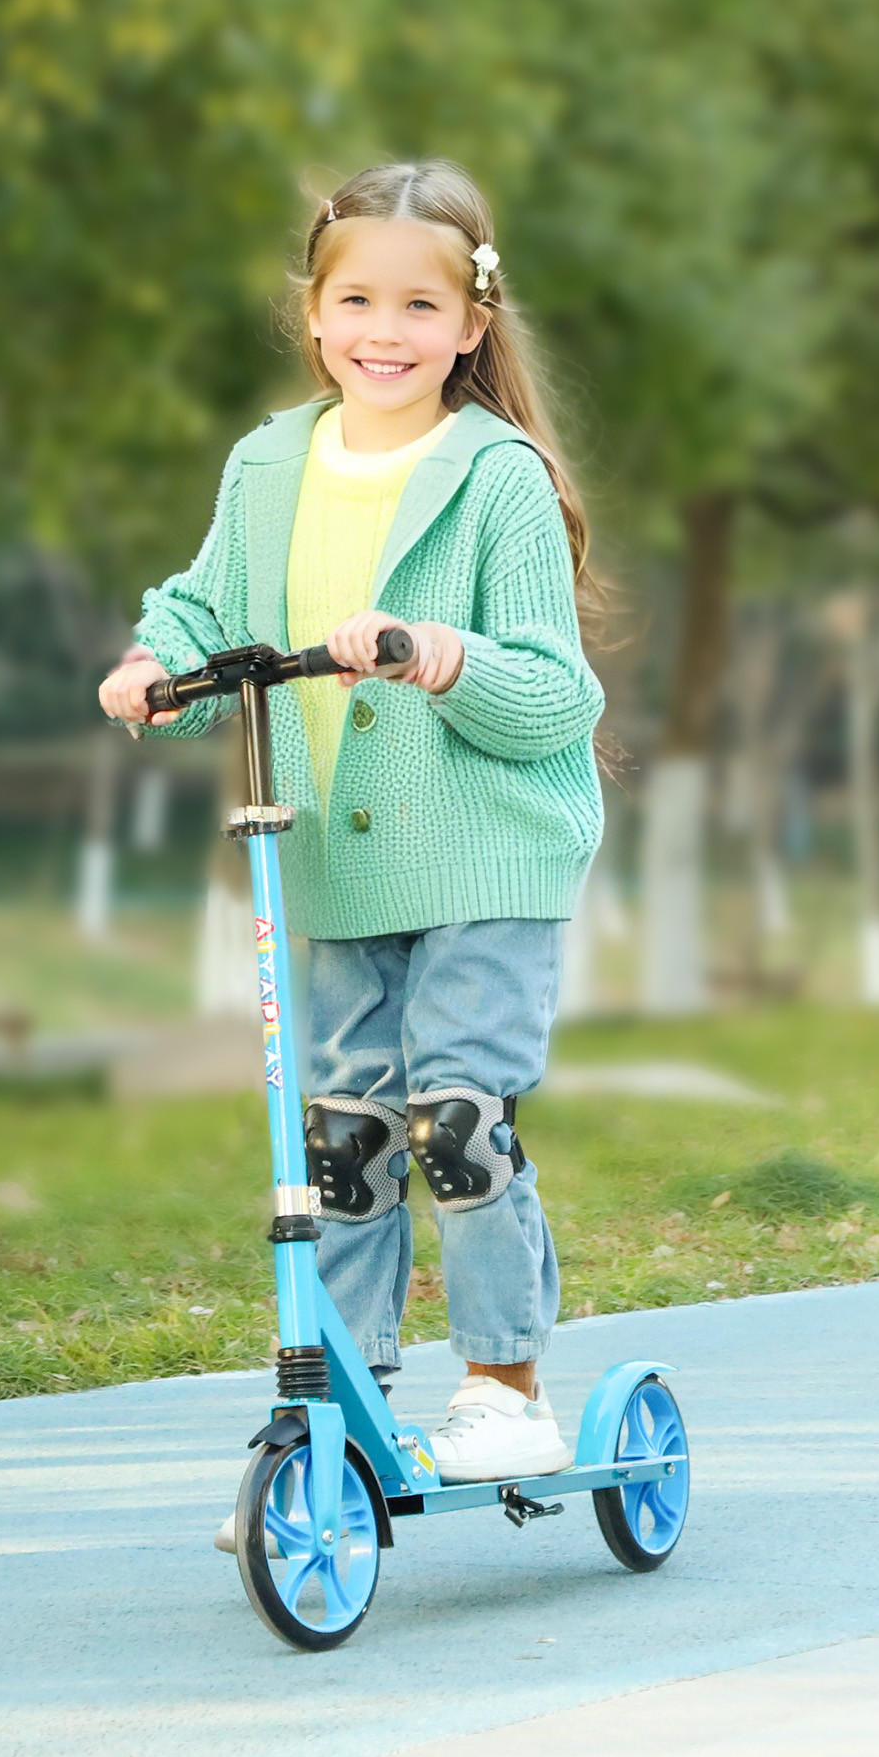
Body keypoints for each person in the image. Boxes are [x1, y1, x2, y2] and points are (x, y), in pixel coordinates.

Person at [98, 160, 603, 1512]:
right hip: (331, 859)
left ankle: (507, 1386)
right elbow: (210, 608)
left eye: (421, 305)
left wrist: (445, 657)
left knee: (454, 1118)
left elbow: (560, 694)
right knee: (346, 1142)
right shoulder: (268, 462)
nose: (388, 330)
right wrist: (158, 663)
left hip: (487, 852)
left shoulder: (495, 476)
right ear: (314, 314)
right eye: (360, 300)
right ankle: (352, 1402)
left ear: (471, 326)